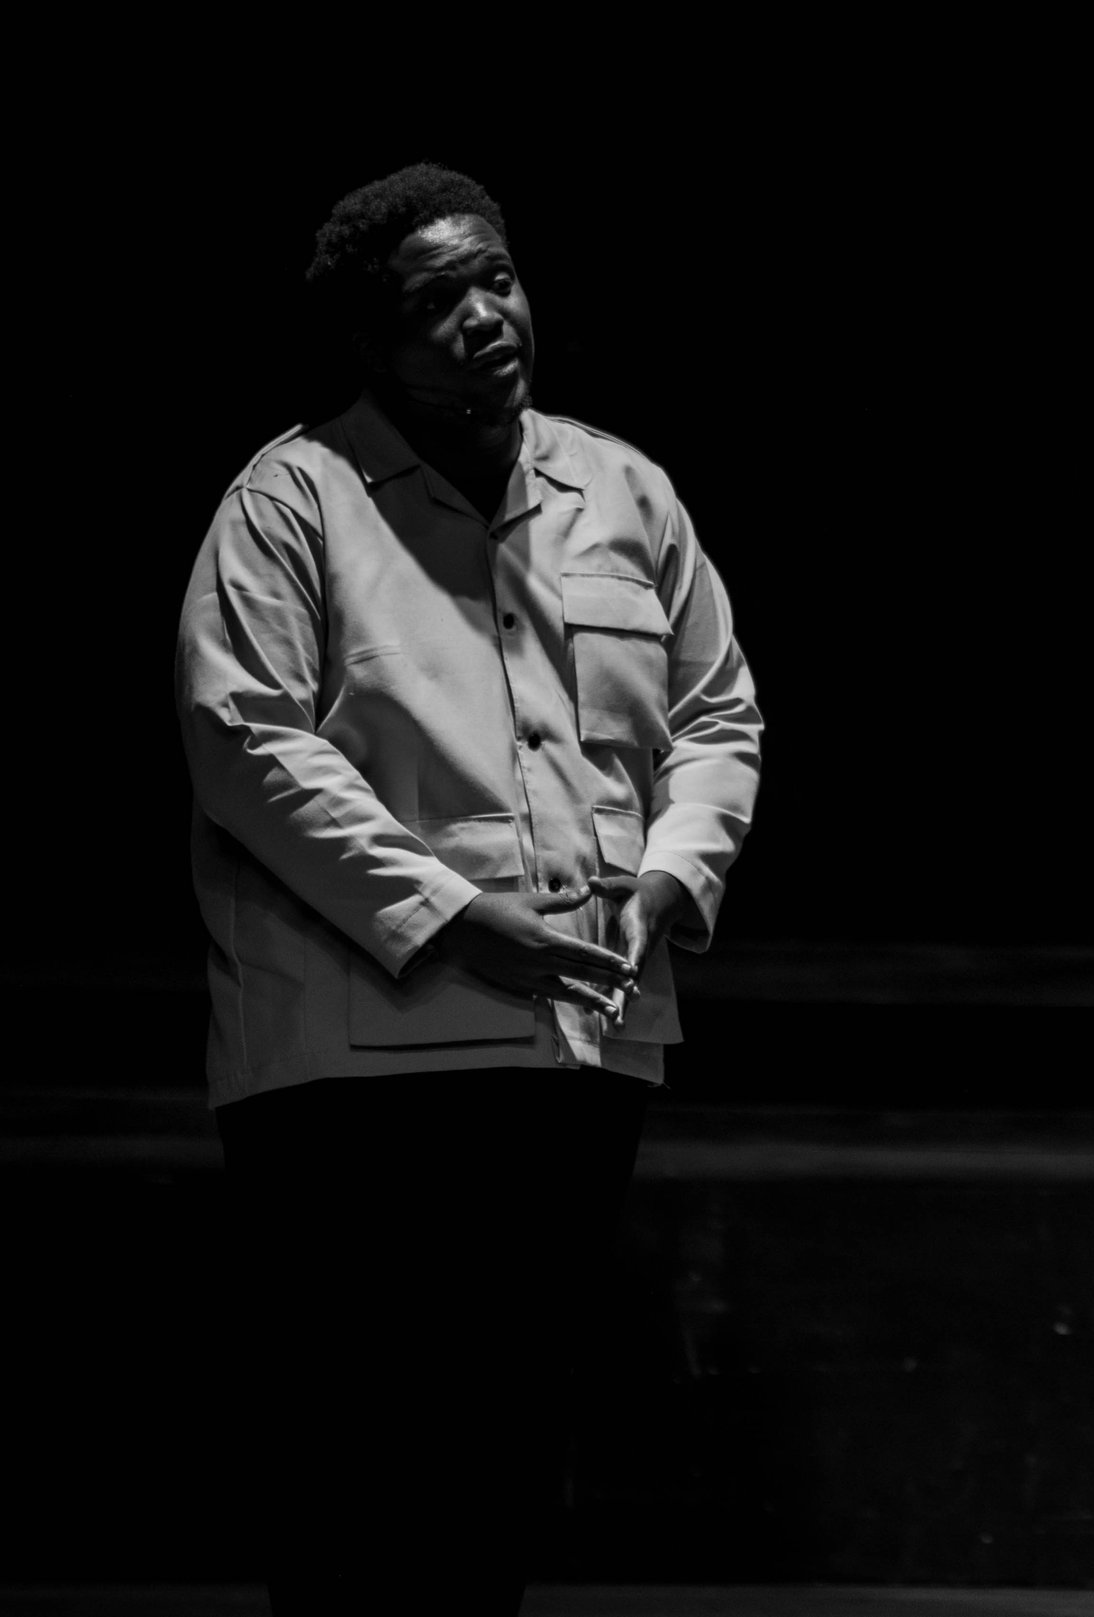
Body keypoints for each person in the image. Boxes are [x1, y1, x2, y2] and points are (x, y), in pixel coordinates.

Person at [176, 163, 763, 1613]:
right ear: (372, 345)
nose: (484, 317)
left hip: (576, 1042)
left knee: (508, 1451)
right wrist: (445, 913)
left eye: (495, 278)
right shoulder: (294, 500)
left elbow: (716, 713)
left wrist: (677, 870)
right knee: (359, 1455)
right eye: (436, 303)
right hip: (359, 1058)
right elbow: (245, 739)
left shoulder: (622, 485)